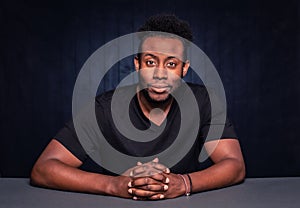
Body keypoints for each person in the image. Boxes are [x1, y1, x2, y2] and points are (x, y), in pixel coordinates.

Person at [30, 14, 245, 200]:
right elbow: (44, 169)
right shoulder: (103, 109)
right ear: (137, 65)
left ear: (184, 68)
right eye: (151, 62)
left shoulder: (204, 101)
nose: (160, 74)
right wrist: (114, 185)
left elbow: (234, 165)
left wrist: (184, 183)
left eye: (171, 64)